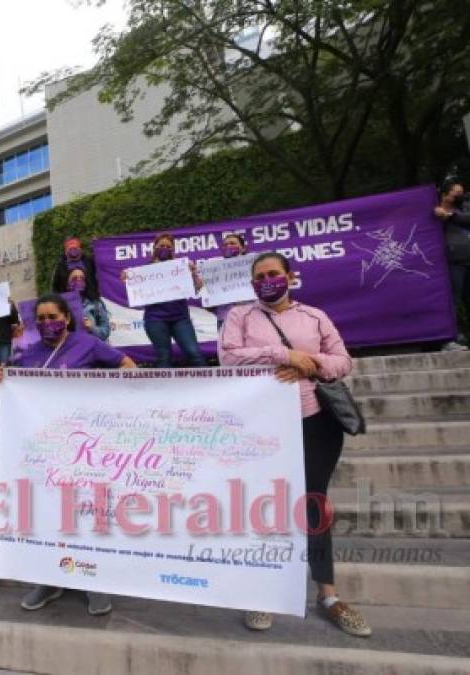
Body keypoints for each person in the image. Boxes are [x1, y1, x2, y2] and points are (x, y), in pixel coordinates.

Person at [219, 251, 372, 638]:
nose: (266, 281)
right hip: (261, 426)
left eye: (273, 273)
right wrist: (285, 354)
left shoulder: (314, 316)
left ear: (290, 276)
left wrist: (312, 364)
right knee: (261, 506)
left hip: (315, 421)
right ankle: (263, 592)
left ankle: (328, 595)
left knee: (314, 504)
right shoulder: (240, 317)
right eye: (259, 277)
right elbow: (228, 358)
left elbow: (343, 361)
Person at [0, 293, 135, 616]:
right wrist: (1, 379)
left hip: (85, 448)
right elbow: (12, 389)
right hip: (45, 451)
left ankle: (92, 580)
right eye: (40, 319)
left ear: (67, 318)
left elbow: (127, 366)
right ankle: (49, 579)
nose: (46, 323)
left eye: (52, 316)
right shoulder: (28, 354)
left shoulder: (88, 345)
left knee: (85, 514)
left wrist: (110, 402)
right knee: (48, 515)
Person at [126, 232, 206, 367]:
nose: (164, 248)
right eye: (161, 245)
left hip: (180, 318)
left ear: (173, 250)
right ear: (155, 248)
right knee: (164, 357)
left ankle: (209, 386)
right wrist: (128, 280)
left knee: (194, 353)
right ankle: (164, 388)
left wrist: (193, 274)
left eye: (168, 246)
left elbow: (197, 289)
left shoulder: (181, 267)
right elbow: (137, 296)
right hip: (155, 319)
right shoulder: (144, 270)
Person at [433, 179, 470, 351]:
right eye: (456, 192)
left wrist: (449, 216)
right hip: (451, 263)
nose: (460, 196)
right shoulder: (432, 210)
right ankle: (450, 339)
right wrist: (439, 215)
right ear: (445, 194)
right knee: (452, 301)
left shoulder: (462, 209)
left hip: (467, 260)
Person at [210, 233, 250, 330]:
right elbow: (210, 302)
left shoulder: (254, 266)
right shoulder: (213, 271)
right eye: (225, 245)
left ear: (244, 248)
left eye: (232, 243)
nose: (228, 246)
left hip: (251, 316)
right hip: (225, 318)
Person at [67, 268, 111, 342]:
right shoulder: (59, 305)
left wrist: (92, 327)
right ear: (67, 283)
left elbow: (105, 333)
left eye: (82, 278)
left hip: (92, 349)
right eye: (74, 278)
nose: (78, 280)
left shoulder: (96, 304)